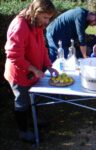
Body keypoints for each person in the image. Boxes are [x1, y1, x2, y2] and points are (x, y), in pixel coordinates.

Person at [4, 0, 59, 142]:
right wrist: (34, 69)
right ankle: (24, 132)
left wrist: (49, 65)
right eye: (45, 17)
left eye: (49, 18)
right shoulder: (20, 26)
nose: (47, 22)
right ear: (36, 13)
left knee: (30, 98)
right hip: (19, 74)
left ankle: (33, 121)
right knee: (21, 102)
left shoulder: (37, 23)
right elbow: (14, 55)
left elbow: (42, 47)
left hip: (30, 73)